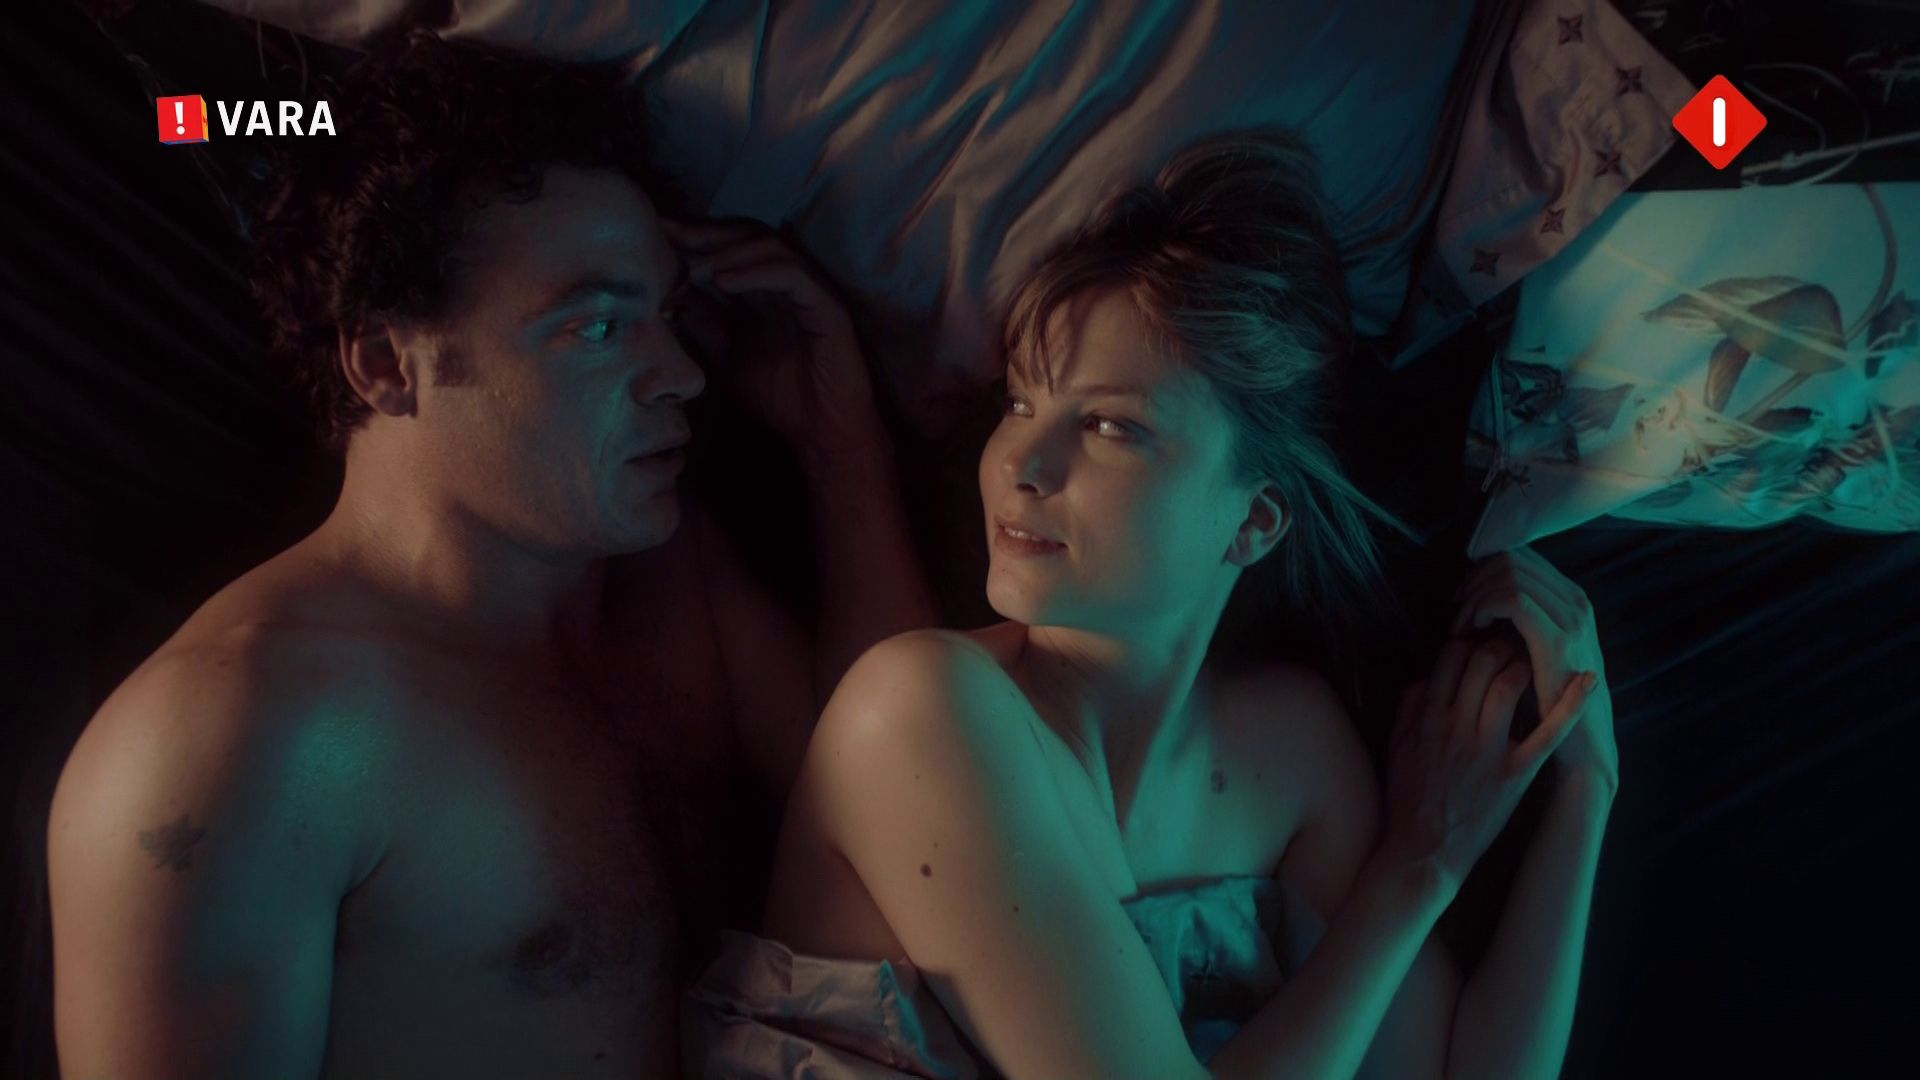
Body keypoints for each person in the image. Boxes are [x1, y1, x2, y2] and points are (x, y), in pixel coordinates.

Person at [46, 30, 933, 1080]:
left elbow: (922, 834)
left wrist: (840, 447)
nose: (683, 374)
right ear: (388, 364)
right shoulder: (236, 740)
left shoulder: (671, 580)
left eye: (669, 315)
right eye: (596, 328)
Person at [688, 131, 1620, 1078]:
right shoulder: (918, 707)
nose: (1021, 465)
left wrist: (1587, 783)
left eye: (1109, 426)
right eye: (1020, 404)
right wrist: (1416, 874)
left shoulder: (1288, 751)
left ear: (1251, 522)